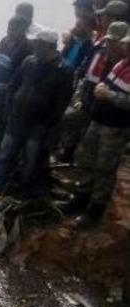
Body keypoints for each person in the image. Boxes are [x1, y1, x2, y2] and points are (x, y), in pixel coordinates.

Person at [0, 30, 75, 195]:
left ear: (48, 46)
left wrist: (47, 125)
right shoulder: (29, 61)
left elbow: (62, 103)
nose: (34, 45)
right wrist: (9, 107)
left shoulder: (64, 70)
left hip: (38, 125)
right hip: (16, 119)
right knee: (4, 155)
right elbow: (13, 85)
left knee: (30, 161)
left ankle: (23, 190)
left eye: (38, 43)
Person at [73, 32, 130, 226]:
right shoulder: (120, 64)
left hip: (115, 128)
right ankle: (80, 198)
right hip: (98, 121)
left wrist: (109, 95)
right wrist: (102, 88)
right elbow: (107, 83)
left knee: (104, 168)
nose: (126, 48)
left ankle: (95, 210)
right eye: (126, 45)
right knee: (86, 158)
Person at [57, 21, 130, 164]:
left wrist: (109, 95)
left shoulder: (119, 62)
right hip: (95, 110)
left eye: (116, 42)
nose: (110, 44)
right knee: (88, 151)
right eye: (109, 41)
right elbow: (88, 76)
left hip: (115, 123)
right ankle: (80, 177)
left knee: (105, 164)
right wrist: (81, 96)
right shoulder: (115, 62)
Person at [0, 16, 34, 172]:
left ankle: (0, 161)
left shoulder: (27, 48)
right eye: (9, 29)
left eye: (14, 30)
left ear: (23, 30)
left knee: (3, 124)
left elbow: (22, 76)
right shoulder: (4, 41)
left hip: (9, 94)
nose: (10, 32)